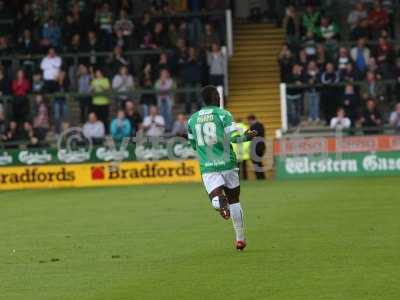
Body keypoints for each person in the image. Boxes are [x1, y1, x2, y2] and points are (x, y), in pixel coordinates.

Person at [187, 86, 257, 250]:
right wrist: (246, 136)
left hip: (208, 166)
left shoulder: (192, 120)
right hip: (228, 163)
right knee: (234, 200)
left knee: (215, 198)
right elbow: (234, 137)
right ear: (215, 98)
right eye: (218, 95)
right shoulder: (223, 114)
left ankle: (218, 203)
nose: (219, 97)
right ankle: (240, 239)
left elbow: (192, 144)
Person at [247, 114, 266, 180]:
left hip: (256, 147)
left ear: (251, 120)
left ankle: (260, 177)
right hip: (262, 146)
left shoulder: (253, 127)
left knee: (256, 162)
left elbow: (252, 137)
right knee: (258, 162)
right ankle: (262, 177)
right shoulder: (261, 125)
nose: (248, 122)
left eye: (249, 121)